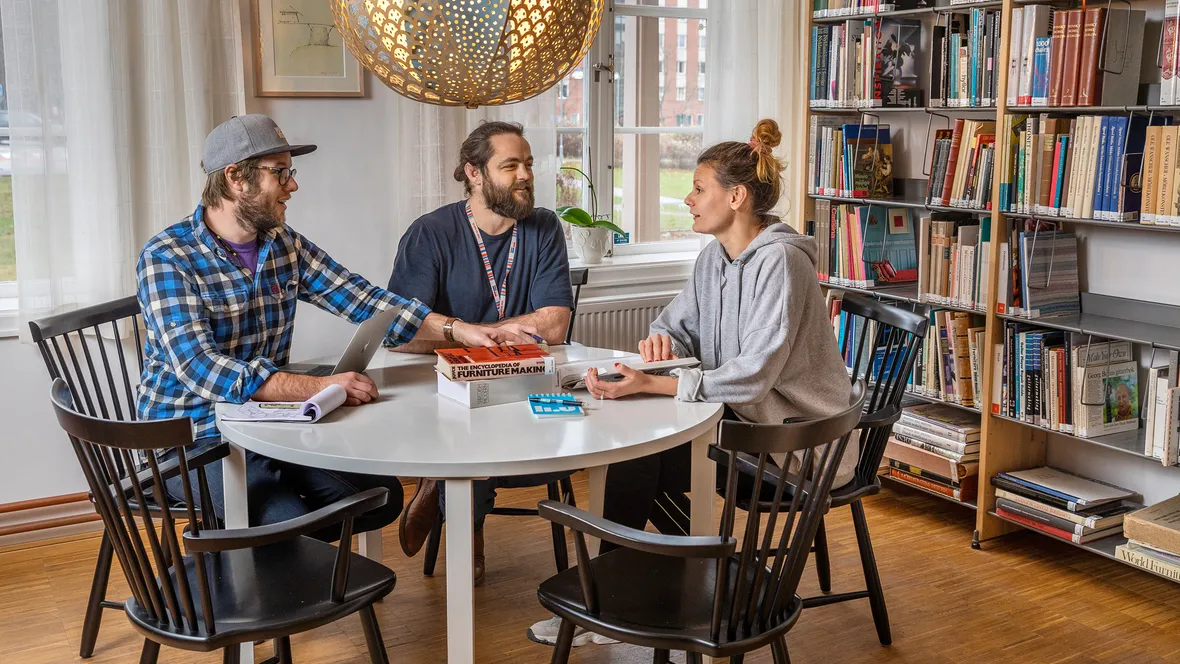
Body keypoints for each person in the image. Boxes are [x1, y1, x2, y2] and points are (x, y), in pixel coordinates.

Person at [136, 114, 527, 541]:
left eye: (291, 172)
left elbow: (363, 298)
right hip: (191, 438)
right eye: (280, 173)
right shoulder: (168, 256)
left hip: (267, 422)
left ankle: (262, 557)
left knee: (380, 497)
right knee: (284, 524)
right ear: (235, 178)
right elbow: (200, 368)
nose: (293, 185)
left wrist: (458, 329)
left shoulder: (284, 245)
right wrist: (318, 388)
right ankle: (241, 570)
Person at [587, 117, 857, 544]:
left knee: (637, 460)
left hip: (796, 446)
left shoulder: (781, 263)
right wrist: (664, 341)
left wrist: (654, 384)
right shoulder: (715, 258)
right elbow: (674, 324)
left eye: (698, 188)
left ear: (736, 196)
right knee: (635, 452)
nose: (688, 198)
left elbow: (753, 376)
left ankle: (649, 588)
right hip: (744, 425)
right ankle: (686, 578)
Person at [388, 120, 575, 586]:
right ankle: (467, 527)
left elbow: (554, 323)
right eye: (510, 165)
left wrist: (484, 335)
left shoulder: (544, 226)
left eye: (528, 164)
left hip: (521, 376)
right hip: (443, 383)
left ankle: (443, 487)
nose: (525, 175)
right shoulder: (429, 233)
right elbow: (401, 332)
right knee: (474, 427)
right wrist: (475, 335)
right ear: (474, 173)